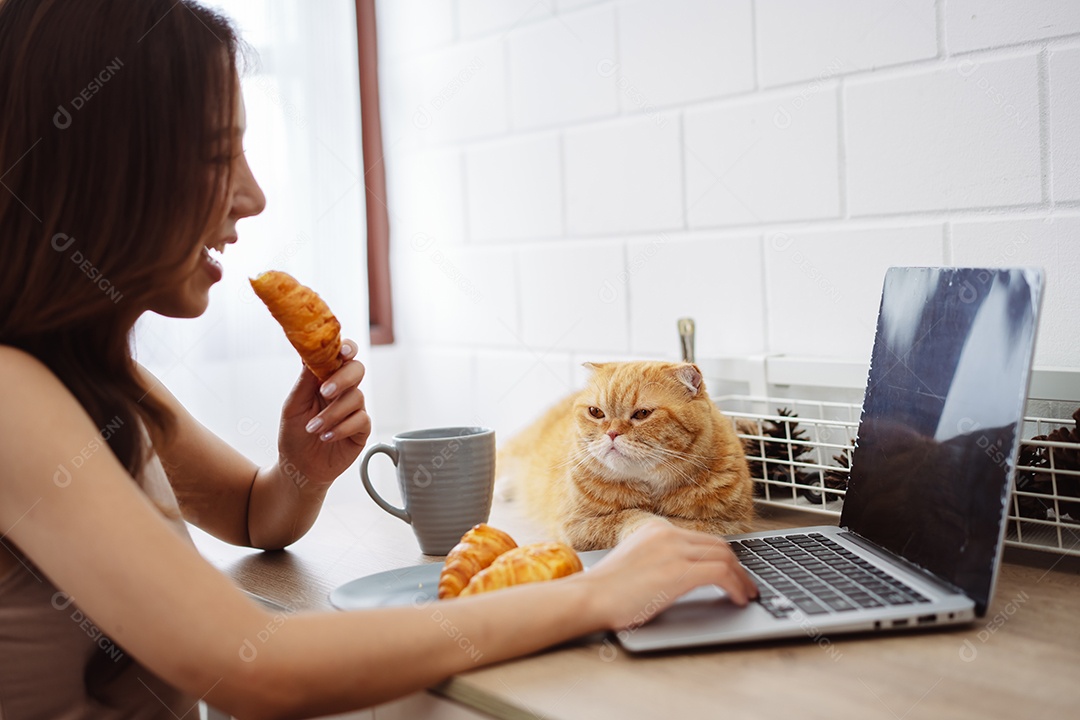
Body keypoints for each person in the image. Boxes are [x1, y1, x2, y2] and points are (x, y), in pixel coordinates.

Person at [0, 1, 758, 718]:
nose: (254, 197)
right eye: (216, 154)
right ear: (98, 170)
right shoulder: (12, 394)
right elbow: (253, 665)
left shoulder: (101, 380)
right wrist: (599, 594)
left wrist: (303, 467)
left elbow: (250, 516)